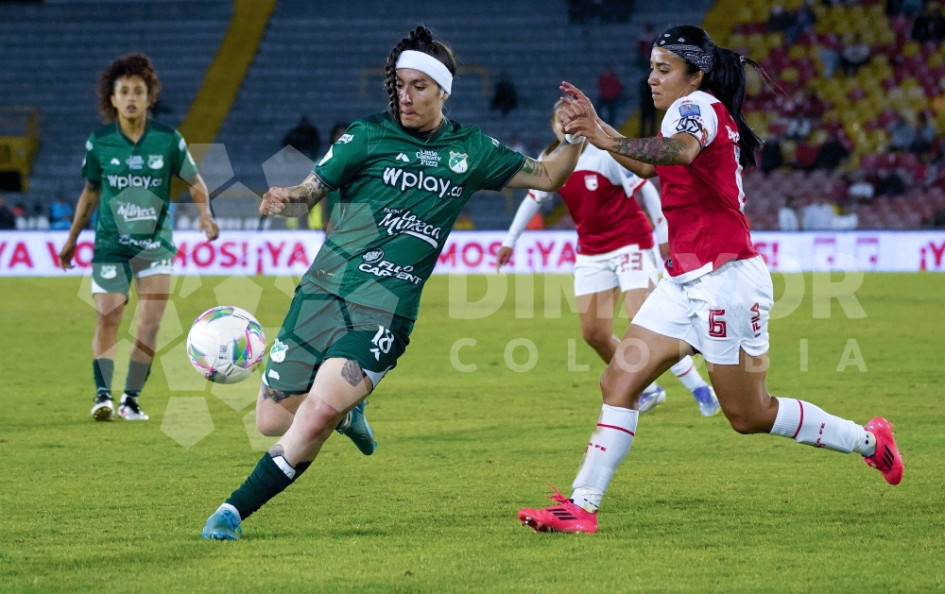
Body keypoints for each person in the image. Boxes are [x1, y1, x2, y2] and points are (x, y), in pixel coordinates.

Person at [201, 25, 585, 541]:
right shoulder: (365, 135)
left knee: (313, 415)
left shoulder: (470, 149)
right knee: (273, 420)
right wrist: (284, 195)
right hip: (323, 291)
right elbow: (310, 191)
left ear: (443, 90)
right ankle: (349, 410)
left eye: (418, 87)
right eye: (400, 85)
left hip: (385, 306)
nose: (404, 95)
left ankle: (231, 511)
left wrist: (575, 137)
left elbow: (546, 176)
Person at [517, 25, 903, 534]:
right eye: (651, 68)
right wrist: (597, 130)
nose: (652, 79)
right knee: (619, 379)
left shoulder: (694, 107)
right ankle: (581, 506)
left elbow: (677, 152)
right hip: (685, 282)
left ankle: (871, 442)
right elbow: (646, 164)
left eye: (664, 69)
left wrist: (600, 130)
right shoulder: (688, 111)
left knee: (748, 415)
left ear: (695, 74)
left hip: (726, 280)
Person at [498, 100, 719, 416]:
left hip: (631, 244)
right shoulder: (551, 159)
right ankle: (649, 390)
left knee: (645, 322)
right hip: (592, 252)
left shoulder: (604, 155)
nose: (567, 124)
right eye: (561, 119)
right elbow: (533, 200)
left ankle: (699, 388)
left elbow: (648, 191)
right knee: (594, 333)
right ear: (554, 126)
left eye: (573, 118)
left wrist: (662, 238)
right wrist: (510, 242)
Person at [57, 53, 220, 422]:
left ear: (150, 98)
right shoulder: (99, 143)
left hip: (154, 244)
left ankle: (131, 399)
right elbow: (91, 193)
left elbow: (195, 182)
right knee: (108, 315)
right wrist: (71, 241)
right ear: (112, 99)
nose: (131, 97)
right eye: (124, 91)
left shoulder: (168, 141)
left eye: (138, 91)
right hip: (111, 244)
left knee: (150, 323)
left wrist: (206, 215)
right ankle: (102, 395)